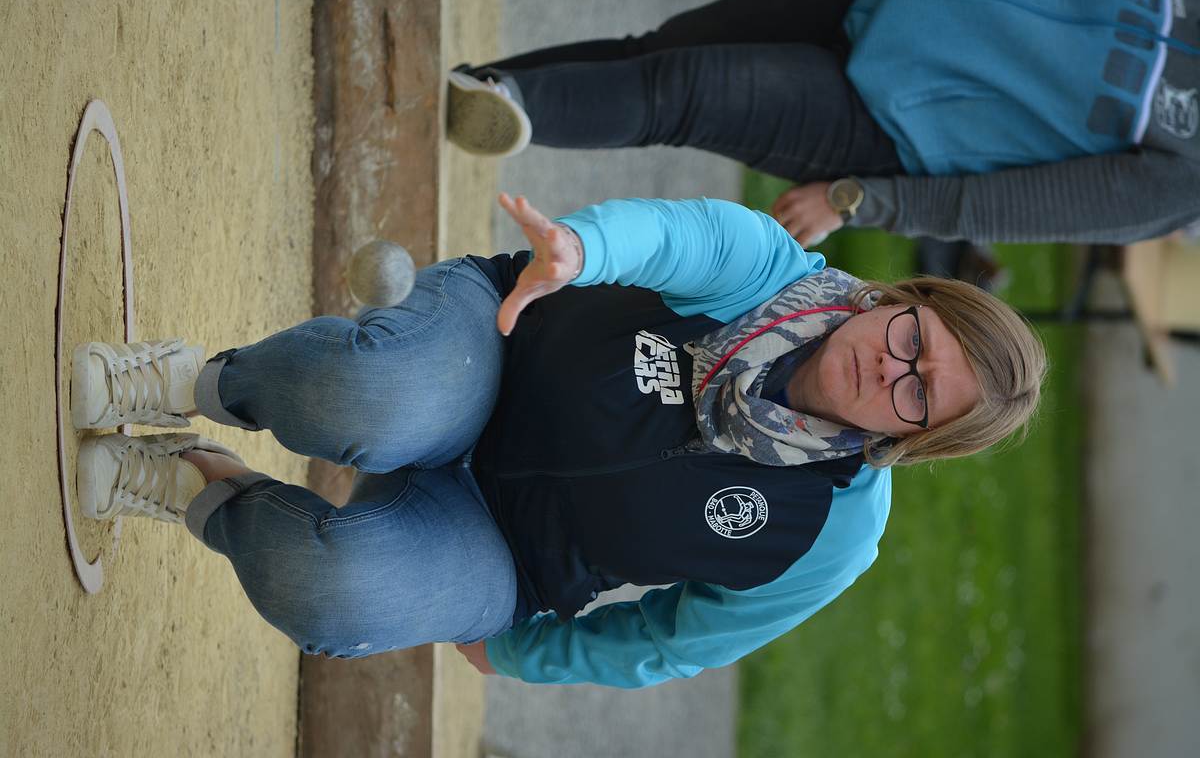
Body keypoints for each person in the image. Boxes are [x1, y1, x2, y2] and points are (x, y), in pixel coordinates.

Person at [71, 195, 1044, 688]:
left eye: (920, 396)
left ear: (917, 440)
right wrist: (583, 250)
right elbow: (677, 236)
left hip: (506, 548)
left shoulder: (834, 534)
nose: (891, 368)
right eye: (913, 338)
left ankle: (200, 487)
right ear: (900, 298)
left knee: (344, 602)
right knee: (370, 393)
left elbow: (677, 641)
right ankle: (194, 382)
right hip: (494, 350)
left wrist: (524, 657)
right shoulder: (771, 275)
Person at [446, 0, 1200, 246]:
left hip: (887, 125)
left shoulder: (1186, 182)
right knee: (659, 51)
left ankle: (503, 101)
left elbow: (1016, 209)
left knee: (680, 94)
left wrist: (858, 200)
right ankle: (475, 91)